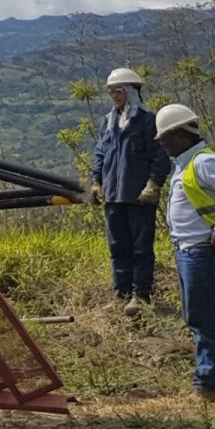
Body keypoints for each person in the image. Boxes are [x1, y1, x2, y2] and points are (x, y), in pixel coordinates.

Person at [90, 67, 169, 314]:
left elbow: (161, 156)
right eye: (111, 91)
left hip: (138, 196)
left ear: (130, 91)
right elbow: (101, 153)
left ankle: (140, 294)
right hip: (114, 195)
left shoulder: (148, 121)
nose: (114, 95)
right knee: (117, 245)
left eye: (118, 90)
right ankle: (121, 292)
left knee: (141, 246)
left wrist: (153, 184)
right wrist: (96, 181)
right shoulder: (109, 121)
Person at [154, 104, 215, 402]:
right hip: (188, 252)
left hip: (201, 253)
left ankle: (207, 384)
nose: (162, 144)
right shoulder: (185, 163)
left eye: (164, 138)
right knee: (198, 316)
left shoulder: (204, 163)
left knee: (204, 317)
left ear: (180, 135)